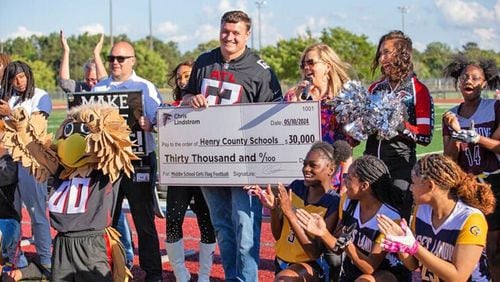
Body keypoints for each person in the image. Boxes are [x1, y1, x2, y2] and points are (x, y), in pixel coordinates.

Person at [182, 10, 283, 281]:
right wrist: (191, 99)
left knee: (245, 228)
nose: (229, 37)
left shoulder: (261, 70)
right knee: (223, 228)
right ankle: (231, 277)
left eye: (236, 32)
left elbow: (274, 116)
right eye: (225, 31)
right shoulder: (205, 61)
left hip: (245, 162)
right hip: (209, 159)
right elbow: (185, 96)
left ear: (247, 34)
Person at [93, 41, 163, 282]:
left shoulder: (145, 87)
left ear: (133, 60)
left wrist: (151, 124)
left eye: (121, 58)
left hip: (139, 161)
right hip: (108, 163)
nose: (115, 62)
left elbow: (162, 119)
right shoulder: (100, 88)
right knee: (106, 221)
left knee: (143, 220)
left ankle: (153, 274)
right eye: (112, 57)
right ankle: (111, 271)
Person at [377, 154, 495, 281]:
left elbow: (458, 277)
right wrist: (403, 246)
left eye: (414, 183)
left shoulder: (470, 219)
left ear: (430, 186)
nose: (410, 187)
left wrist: (415, 248)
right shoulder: (421, 210)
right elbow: (414, 265)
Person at [244, 141, 350, 281]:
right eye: (305, 164)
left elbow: (314, 252)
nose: (306, 169)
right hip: (282, 261)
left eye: (313, 165)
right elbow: (278, 235)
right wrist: (274, 209)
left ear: (330, 169)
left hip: (313, 265)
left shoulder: (333, 202)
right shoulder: (296, 187)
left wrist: (290, 213)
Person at [296, 155, 410, 282]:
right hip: (354, 269)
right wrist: (323, 233)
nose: (344, 182)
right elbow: (338, 248)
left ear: (364, 186)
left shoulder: (391, 218)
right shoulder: (347, 201)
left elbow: (370, 267)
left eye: (349, 178)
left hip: (386, 273)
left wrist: (345, 243)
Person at [441, 56, 500, 281]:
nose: (470, 81)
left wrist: (476, 139)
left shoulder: (495, 107)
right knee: (466, 245)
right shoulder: (451, 115)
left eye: (476, 78)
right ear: (459, 81)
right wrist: (456, 132)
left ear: (484, 83)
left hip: (494, 183)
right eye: (465, 76)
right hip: (466, 186)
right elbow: (449, 160)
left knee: (492, 248)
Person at [365, 30, 434, 220]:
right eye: (380, 54)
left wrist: (400, 127)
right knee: (366, 221)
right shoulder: (375, 88)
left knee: (396, 223)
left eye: (387, 52)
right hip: (370, 164)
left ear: (403, 54)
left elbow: (426, 136)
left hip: (399, 169)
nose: (382, 58)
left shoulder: (418, 90)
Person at [165, 60, 216, 282]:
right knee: (173, 220)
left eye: (188, 75)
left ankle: (204, 274)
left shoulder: (211, 105)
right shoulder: (171, 108)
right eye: (180, 77)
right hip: (179, 174)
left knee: (207, 223)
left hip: (204, 173)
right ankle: (180, 273)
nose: (183, 80)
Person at [0, 61, 52, 269]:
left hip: (32, 162)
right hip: (9, 164)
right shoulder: (8, 96)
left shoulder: (41, 96)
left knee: (37, 212)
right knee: (12, 214)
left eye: (22, 76)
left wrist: (10, 113)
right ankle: (15, 255)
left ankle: (46, 257)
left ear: (29, 75)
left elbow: (36, 128)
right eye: (14, 78)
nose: (19, 82)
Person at [285, 43, 358, 193]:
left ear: (328, 66)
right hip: (296, 178)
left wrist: (344, 188)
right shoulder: (292, 95)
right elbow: (281, 134)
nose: (306, 67)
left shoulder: (343, 99)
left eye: (311, 62)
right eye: (303, 64)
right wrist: (295, 105)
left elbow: (346, 149)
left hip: (330, 182)